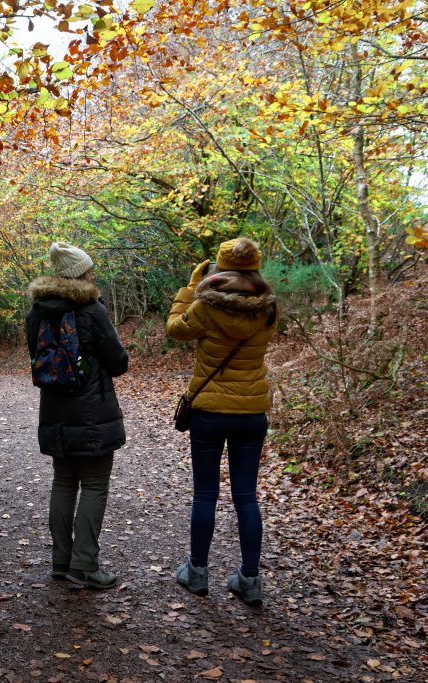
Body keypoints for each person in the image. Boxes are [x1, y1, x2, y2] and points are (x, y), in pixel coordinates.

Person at [165, 237, 278, 606]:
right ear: (255, 267)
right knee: (246, 497)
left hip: (210, 412)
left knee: (205, 494)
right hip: (251, 413)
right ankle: (249, 579)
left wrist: (188, 290)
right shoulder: (269, 309)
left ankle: (196, 572)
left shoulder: (205, 306)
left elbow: (175, 330)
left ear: (220, 266)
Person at [26, 242, 129, 589]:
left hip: (55, 412)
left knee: (64, 482)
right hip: (93, 413)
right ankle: (85, 566)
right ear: (81, 274)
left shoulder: (37, 313)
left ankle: (61, 561)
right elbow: (118, 363)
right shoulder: (92, 310)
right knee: (95, 484)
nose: (93, 274)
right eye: (90, 269)